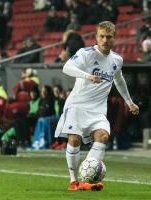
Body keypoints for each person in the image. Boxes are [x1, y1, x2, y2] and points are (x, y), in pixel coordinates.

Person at [54, 21, 139, 191]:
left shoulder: (117, 60)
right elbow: (67, 67)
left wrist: (130, 102)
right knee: (74, 139)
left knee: (103, 136)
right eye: (102, 36)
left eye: (108, 37)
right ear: (96, 37)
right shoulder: (86, 54)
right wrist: (88, 76)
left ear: (114, 38)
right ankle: (73, 181)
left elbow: (119, 81)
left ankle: (88, 179)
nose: (105, 40)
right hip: (77, 105)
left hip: (98, 109)